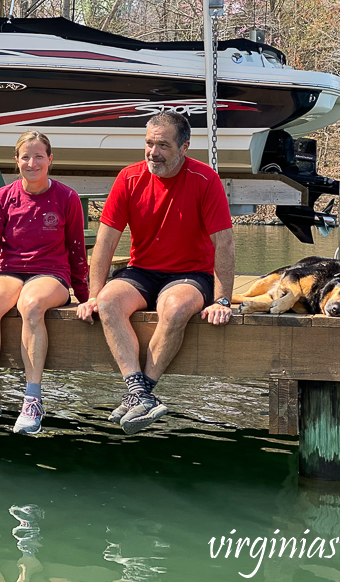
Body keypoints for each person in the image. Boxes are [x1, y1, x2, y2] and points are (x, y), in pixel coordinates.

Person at [77, 111, 235, 434]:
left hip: (191, 273)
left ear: (184, 147)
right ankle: (140, 394)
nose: (153, 152)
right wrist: (92, 295)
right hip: (142, 271)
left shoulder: (206, 180)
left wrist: (222, 299)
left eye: (162, 145)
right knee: (108, 302)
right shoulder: (129, 178)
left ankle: (139, 394)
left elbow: (225, 244)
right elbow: (105, 243)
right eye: (149, 143)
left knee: (175, 308)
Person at [0, 131, 89, 434]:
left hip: (51, 274)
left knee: (32, 303)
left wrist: (85, 296)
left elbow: (77, 250)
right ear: (16, 161)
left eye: (39, 156)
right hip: (11, 271)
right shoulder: (2, 198)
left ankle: (33, 399)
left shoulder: (67, 198)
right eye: (25, 157)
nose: (32, 162)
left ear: (50, 159)